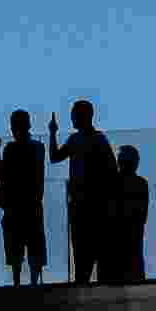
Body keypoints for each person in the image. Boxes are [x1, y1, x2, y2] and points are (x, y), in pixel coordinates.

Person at [48, 100, 118, 285]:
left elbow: (55, 157)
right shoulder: (85, 139)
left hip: (90, 204)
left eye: (74, 114)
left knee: (86, 248)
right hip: (85, 204)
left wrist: (52, 133)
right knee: (84, 249)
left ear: (83, 116)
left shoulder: (90, 139)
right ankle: (89, 283)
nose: (72, 118)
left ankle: (86, 283)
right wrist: (52, 133)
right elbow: (55, 157)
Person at [0, 110, 47, 286]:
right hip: (32, 205)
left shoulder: (11, 149)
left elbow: (0, 173)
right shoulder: (37, 147)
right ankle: (32, 283)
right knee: (34, 246)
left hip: (15, 206)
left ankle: (18, 283)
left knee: (16, 248)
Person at [105, 145, 149, 283]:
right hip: (129, 236)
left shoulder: (112, 182)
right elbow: (142, 214)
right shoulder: (140, 183)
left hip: (120, 236)